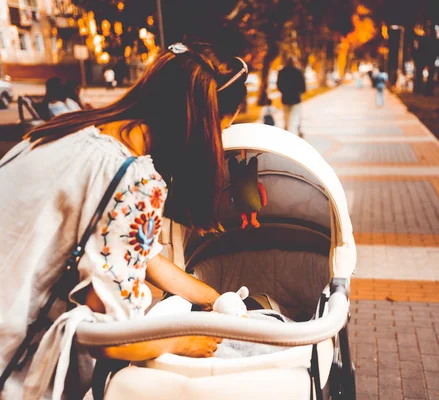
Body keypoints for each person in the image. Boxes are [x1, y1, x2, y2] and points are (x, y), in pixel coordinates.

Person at [0, 40, 248, 399]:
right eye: (219, 132)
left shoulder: (69, 131)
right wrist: (184, 341)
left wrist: (212, 299)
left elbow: (137, 255)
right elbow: (112, 335)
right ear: (200, 123)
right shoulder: (134, 179)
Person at [276, 58, 306, 137]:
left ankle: (286, 133)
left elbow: (278, 85)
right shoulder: (298, 72)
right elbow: (303, 87)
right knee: (294, 119)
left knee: (286, 118)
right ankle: (292, 136)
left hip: (285, 99)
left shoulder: (281, 72)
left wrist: (284, 91)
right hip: (296, 99)